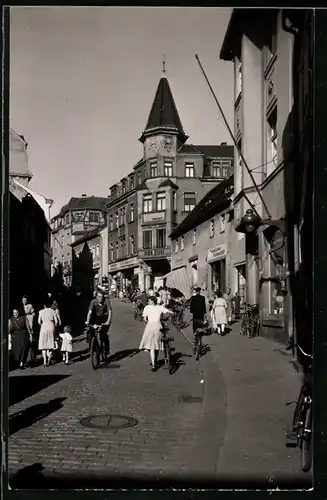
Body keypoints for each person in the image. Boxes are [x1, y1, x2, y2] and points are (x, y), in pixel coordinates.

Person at [139, 295, 173, 371]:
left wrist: (149, 322)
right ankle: (156, 360)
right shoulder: (160, 307)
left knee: (151, 347)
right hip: (158, 326)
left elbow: (144, 319)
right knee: (157, 344)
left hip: (150, 326)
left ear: (152, 301)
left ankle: (154, 365)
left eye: (149, 301)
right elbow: (168, 311)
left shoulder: (147, 307)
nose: (148, 302)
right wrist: (173, 313)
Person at [85, 290, 112, 360]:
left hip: (104, 319)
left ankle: (106, 348)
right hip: (95, 319)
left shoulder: (107, 301)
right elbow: (89, 312)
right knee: (90, 331)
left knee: (103, 333)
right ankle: (92, 347)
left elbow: (110, 311)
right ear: (96, 297)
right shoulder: (93, 302)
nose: (101, 298)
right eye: (99, 297)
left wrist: (108, 321)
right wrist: (87, 320)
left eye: (102, 297)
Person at [21, 295, 37, 365]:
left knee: (31, 342)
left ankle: (31, 359)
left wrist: (32, 317)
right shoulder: (20, 307)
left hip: (29, 322)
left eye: (26, 300)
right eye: (23, 300)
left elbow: (34, 313)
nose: (24, 302)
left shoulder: (30, 306)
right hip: (22, 323)